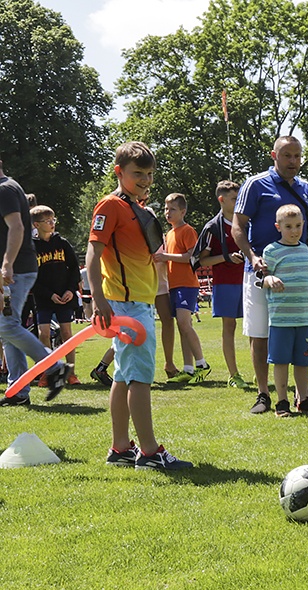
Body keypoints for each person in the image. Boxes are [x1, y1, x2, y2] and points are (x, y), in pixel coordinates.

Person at [86, 141, 191, 469]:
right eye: (137, 174)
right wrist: (98, 300)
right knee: (141, 378)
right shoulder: (110, 206)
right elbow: (93, 254)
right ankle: (149, 452)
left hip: (139, 304)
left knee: (122, 375)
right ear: (119, 172)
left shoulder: (140, 209)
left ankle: (120, 448)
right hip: (126, 305)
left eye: (149, 174)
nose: (145, 179)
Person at [233, 136, 308, 414]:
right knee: (260, 335)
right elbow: (238, 226)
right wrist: (252, 257)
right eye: (287, 156)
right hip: (261, 271)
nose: (293, 161)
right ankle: (264, 395)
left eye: (297, 156)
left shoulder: (306, 188)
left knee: (298, 333)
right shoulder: (255, 184)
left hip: (296, 277)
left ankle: (301, 396)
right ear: (274, 155)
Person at [0, 159, 72, 407]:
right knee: (9, 331)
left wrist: (7, 263)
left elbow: (17, 227)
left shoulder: (4, 188)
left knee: (6, 327)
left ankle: (55, 367)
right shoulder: (9, 187)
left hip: (16, 269)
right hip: (12, 269)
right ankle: (18, 391)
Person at [260, 204, 308, 417]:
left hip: (304, 317)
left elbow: (306, 282)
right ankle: (281, 402)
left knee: (302, 361)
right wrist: (270, 278)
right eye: (288, 226)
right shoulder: (271, 250)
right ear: (278, 227)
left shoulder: (305, 249)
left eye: (298, 226)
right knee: (280, 361)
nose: (294, 231)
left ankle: (303, 399)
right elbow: (260, 279)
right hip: (281, 319)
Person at [193, 180, 249, 389]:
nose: (238, 202)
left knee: (254, 326)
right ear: (221, 199)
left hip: (247, 281)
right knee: (229, 326)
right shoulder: (212, 227)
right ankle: (233, 374)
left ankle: (258, 371)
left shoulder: (245, 223)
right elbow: (202, 260)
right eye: (235, 198)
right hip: (225, 283)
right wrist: (226, 257)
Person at [156, 193, 211, 383]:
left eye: (172, 209)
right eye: (165, 209)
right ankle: (188, 369)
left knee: (184, 323)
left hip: (187, 284)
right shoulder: (169, 233)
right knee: (182, 326)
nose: (167, 213)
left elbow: (190, 256)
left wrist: (166, 257)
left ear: (183, 211)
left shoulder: (187, 230)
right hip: (174, 285)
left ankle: (202, 364)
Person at [30, 205, 81, 385]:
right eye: (48, 221)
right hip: (44, 298)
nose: (52, 224)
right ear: (36, 225)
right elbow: (31, 277)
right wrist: (49, 294)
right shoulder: (31, 247)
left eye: (53, 220)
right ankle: (48, 372)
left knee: (67, 332)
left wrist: (70, 289)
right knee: (44, 333)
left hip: (65, 295)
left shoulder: (62, 243)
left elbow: (75, 268)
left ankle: (71, 372)